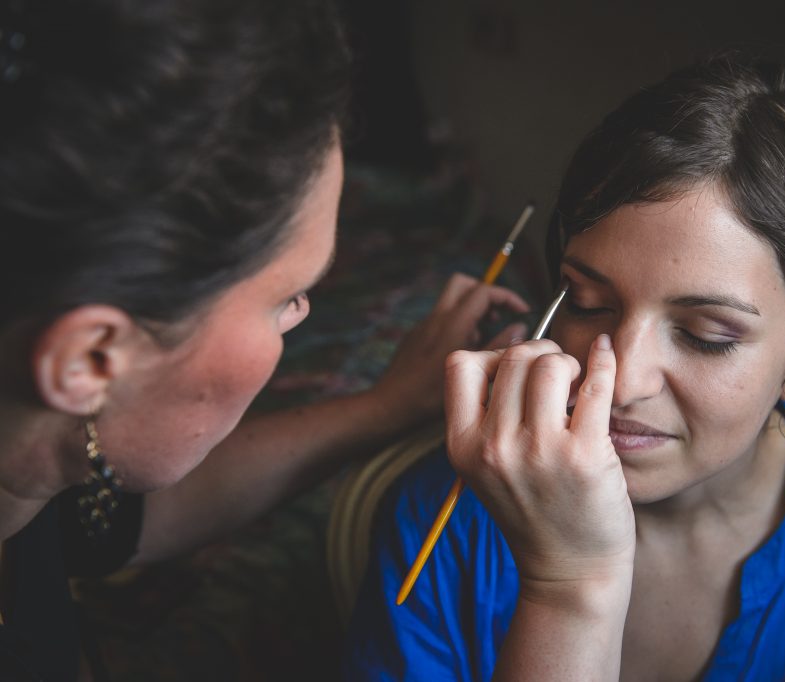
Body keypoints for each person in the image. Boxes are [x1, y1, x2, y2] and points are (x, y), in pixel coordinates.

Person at [341, 54, 785, 680]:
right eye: (591, 303)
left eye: (706, 335)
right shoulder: (452, 517)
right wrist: (565, 583)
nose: (623, 381)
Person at [0, 0, 529, 679]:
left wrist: (386, 406)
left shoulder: (40, 461)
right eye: (284, 298)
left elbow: (119, 515)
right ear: (89, 360)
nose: (301, 315)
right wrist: (577, 586)